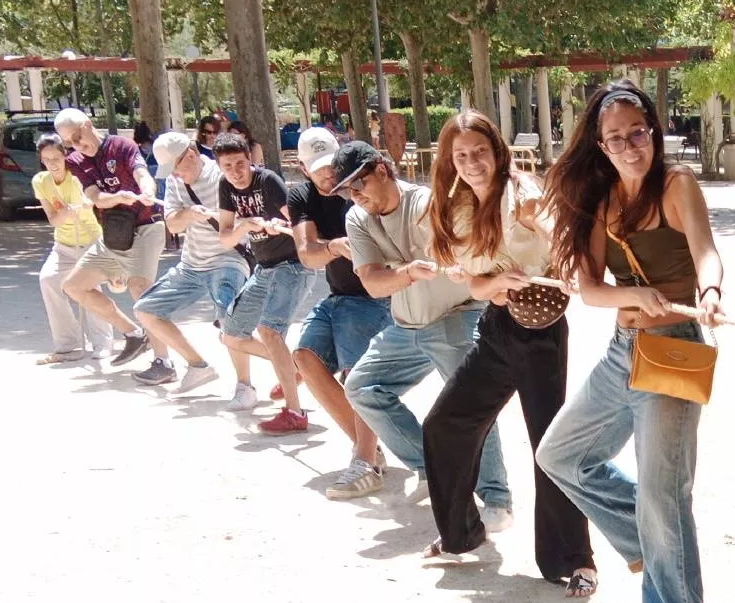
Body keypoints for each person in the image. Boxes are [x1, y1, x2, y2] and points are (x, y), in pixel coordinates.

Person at [537, 83, 725, 603]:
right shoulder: (603, 200)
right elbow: (590, 289)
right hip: (624, 351)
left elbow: (707, 254)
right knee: (559, 454)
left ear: (654, 129)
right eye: (615, 137)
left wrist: (713, 293)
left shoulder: (677, 186)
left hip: (674, 349)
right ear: (600, 143)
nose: (628, 145)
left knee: (665, 498)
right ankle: (640, 537)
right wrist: (631, 296)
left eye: (637, 132)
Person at [420, 111, 596, 586]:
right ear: (450, 161)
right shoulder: (458, 209)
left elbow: (559, 229)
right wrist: (496, 281)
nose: (472, 161)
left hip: (541, 333)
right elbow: (475, 286)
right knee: (444, 424)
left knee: (548, 444)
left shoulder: (524, 196)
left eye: (480, 151)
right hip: (497, 329)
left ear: (497, 150)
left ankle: (574, 560)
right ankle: (459, 534)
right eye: (461, 155)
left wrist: (570, 266)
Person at [331, 140, 511, 515]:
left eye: (358, 184)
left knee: (470, 402)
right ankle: (431, 467)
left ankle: (495, 497)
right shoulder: (357, 217)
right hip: (406, 325)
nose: (355, 195)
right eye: (347, 190)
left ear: (382, 169)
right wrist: (409, 272)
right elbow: (373, 283)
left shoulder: (428, 204)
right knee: (362, 388)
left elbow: (472, 254)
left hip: (455, 315)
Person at [269, 127, 390, 493]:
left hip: (374, 296)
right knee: (305, 357)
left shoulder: (359, 187)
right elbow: (306, 254)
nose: (329, 174)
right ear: (303, 169)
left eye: (332, 165)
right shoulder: (301, 195)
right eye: (318, 167)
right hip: (339, 295)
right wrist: (335, 247)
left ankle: (365, 461)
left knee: (356, 375)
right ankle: (368, 450)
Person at [131, 130, 251, 397]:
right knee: (146, 310)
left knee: (228, 320)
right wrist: (189, 214)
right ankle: (197, 365)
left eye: (176, 166)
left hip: (227, 258)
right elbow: (171, 223)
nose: (174, 174)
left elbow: (248, 218)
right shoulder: (177, 181)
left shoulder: (221, 175)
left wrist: (219, 218)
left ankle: (245, 385)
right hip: (192, 264)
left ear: (193, 154)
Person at [55, 108, 166, 368]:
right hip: (114, 234)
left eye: (77, 136)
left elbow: (142, 173)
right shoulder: (75, 160)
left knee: (140, 287)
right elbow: (95, 196)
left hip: (146, 226)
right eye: (69, 142)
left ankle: (164, 362)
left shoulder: (122, 145)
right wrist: (117, 198)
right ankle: (134, 334)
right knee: (74, 286)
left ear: (88, 124)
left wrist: (147, 190)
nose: (76, 145)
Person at [212, 131, 303, 414]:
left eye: (239, 164)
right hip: (263, 268)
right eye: (227, 167)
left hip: (291, 265)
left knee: (270, 332)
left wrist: (277, 223)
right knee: (230, 334)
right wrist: (244, 227)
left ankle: (293, 410)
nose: (235, 173)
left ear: (249, 159)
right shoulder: (225, 187)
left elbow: (299, 225)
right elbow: (225, 239)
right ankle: (296, 367)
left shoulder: (268, 181)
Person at [31, 133, 114, 364]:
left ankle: (103, 342)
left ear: (65, 155)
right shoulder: (40, 181)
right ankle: (68, 345)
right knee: (48, 280)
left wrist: (86, 203)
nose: (53, 164)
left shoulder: (77, 176)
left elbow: (93, 200)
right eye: (47, 160)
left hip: (89, 241)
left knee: (88, 287)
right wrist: (65, 212)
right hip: (64, 244)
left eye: (56, 158)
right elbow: (54, 220)